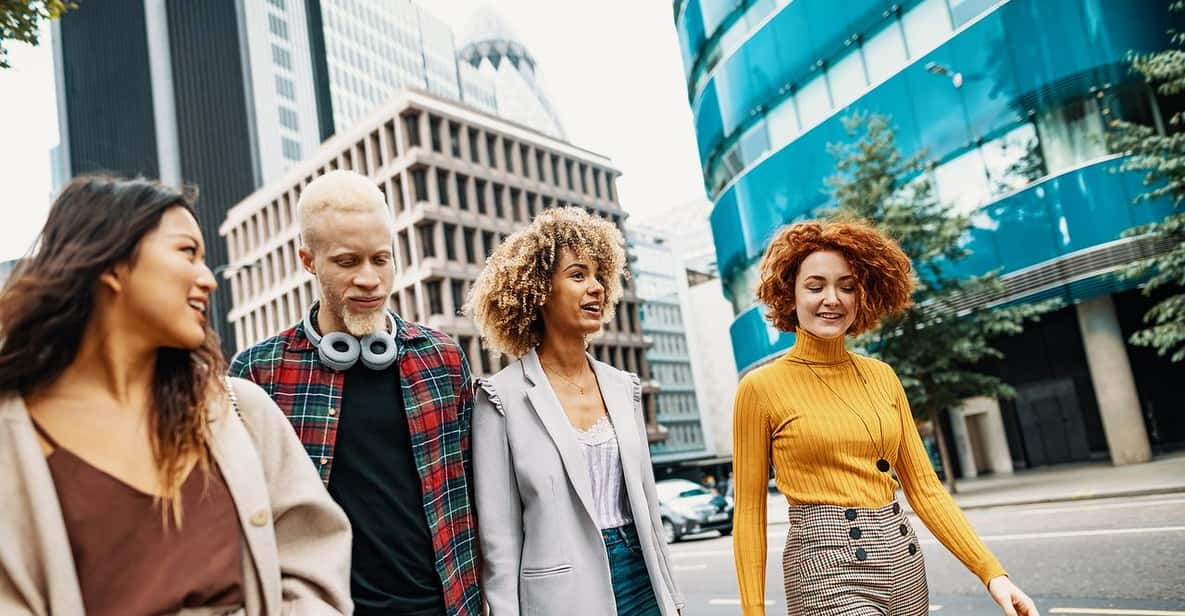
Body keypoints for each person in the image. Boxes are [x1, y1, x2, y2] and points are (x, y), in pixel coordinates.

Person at [0, 175, 352, 615]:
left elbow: (311, 558)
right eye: (188, 253)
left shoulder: (241, 410)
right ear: (111, 264)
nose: (209, 279)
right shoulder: (13, 436)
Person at [731, 220, 1038, 616]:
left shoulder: (883, 376)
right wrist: (752, 611)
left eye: (847, 286)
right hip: (825, 571)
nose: (832, 299)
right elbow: (750, 512)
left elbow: (925, 488)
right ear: (789, 293)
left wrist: (993, 573)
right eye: (815, 286)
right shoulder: (760, 388)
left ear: (863, 295)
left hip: (904, 564)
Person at [230, 170, 480, 616]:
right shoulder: (257, 373)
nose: (370, 279)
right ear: (308, 260)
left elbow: (475, 494)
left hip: (447, 606)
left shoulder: (442, 357)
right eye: (348, 262)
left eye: (381, 260)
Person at [465, 207, 684, 616]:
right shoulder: (500, 398)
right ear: (539, 290)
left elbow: (650, 513)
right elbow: (500, 541)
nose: (597, 287)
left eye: (601, 275)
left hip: (642, 579)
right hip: (560, 596)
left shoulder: (624, 388)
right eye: (579, 275)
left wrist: (673, 599)